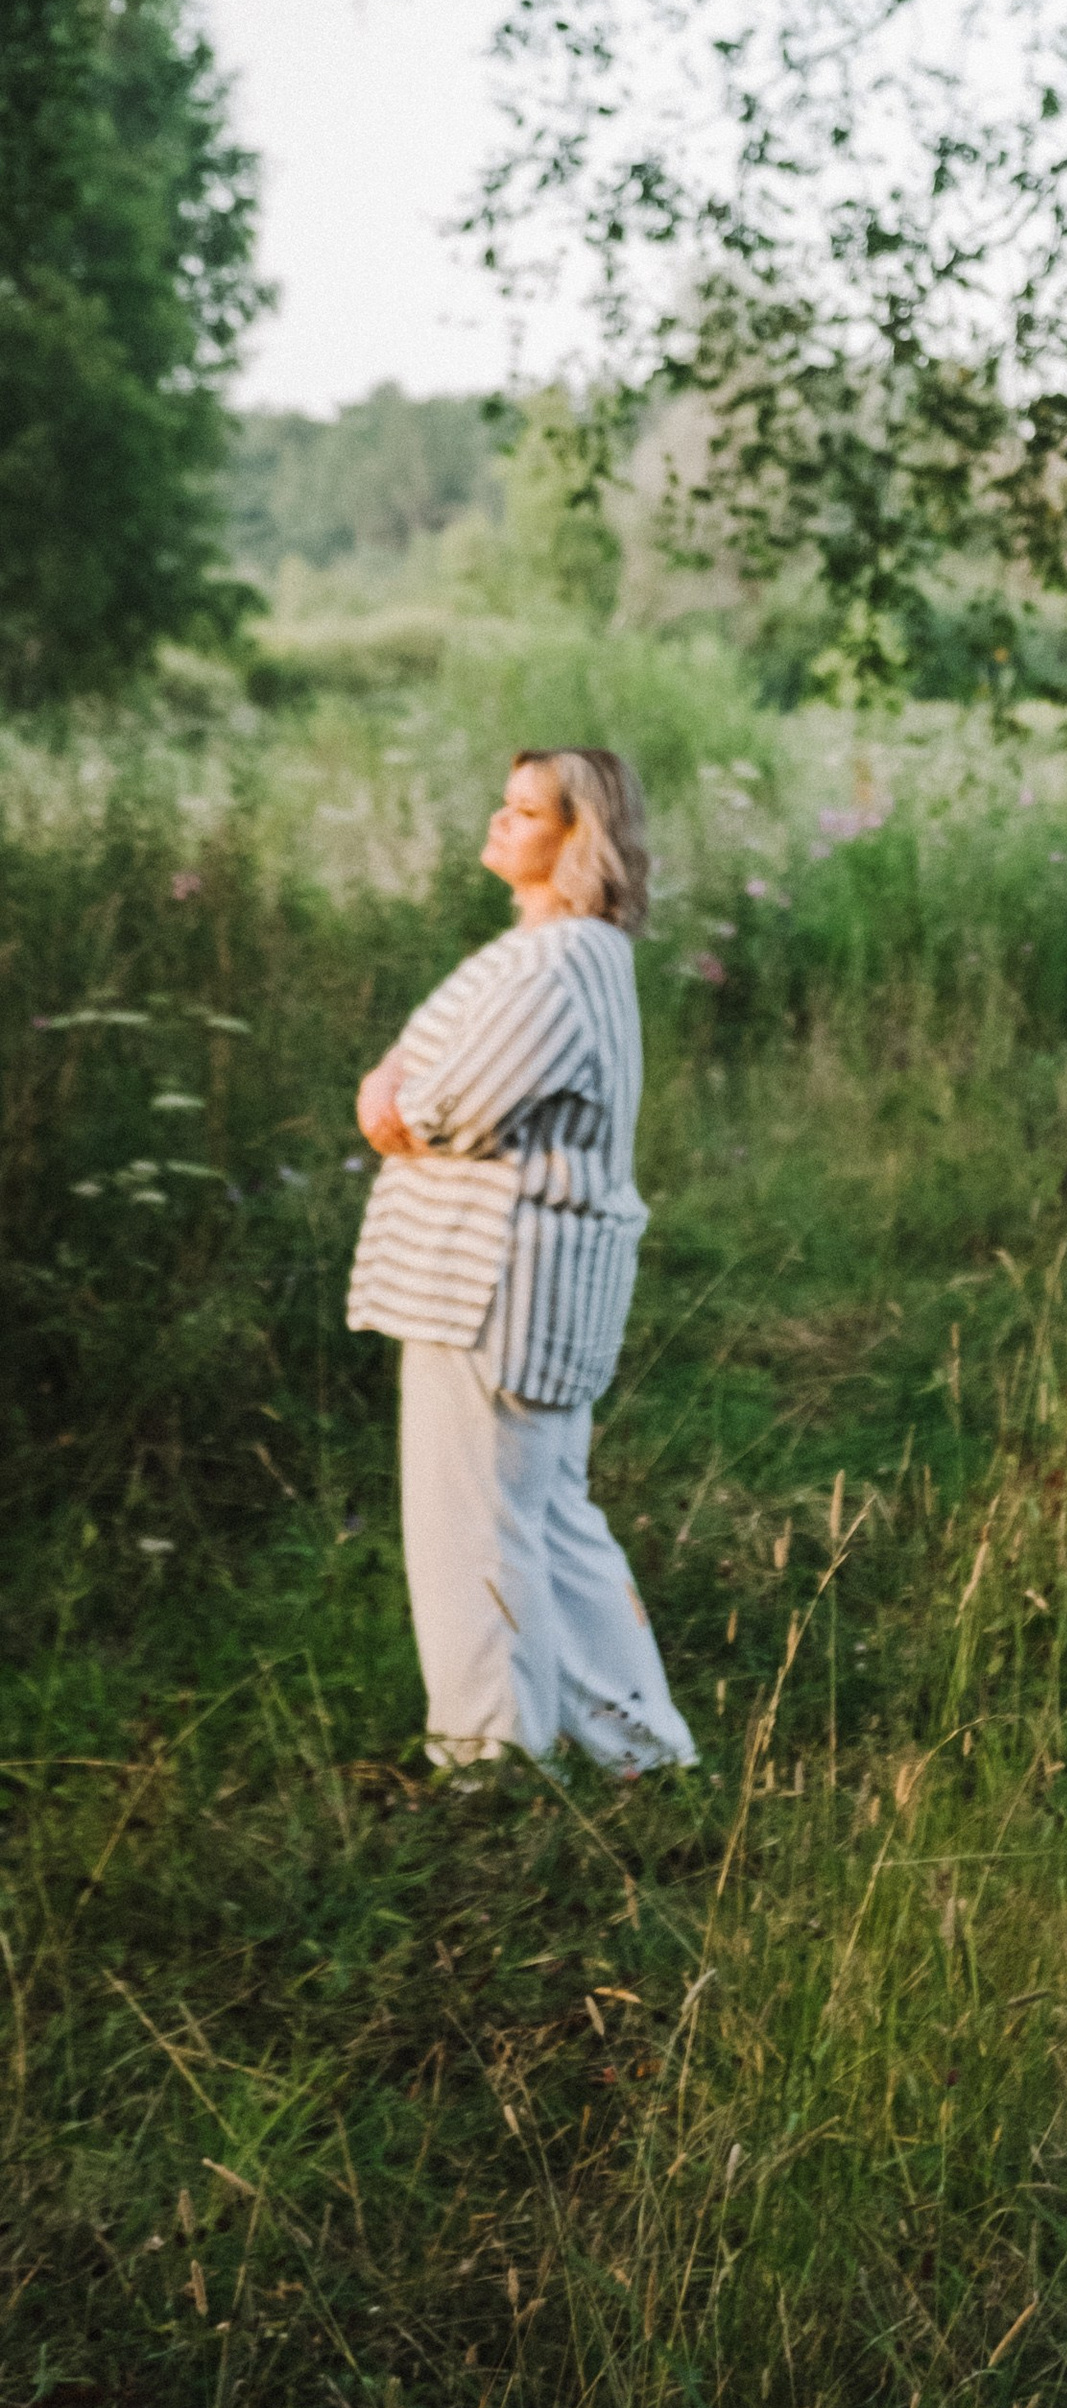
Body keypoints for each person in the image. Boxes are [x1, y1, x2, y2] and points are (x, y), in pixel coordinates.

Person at [347, 746, 696, 1780]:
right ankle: (634, 1745)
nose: (502, 823)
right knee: (544, 1515)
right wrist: (404, 1082)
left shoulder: (559, 963)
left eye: (528, 811)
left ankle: (491, 1760)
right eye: (504, 804)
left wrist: (392, 1098)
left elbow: (450, 1104)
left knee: (477, 1527)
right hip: (506, 1282)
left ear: (577, 837)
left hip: (494, 1286)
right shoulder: (563, 954)